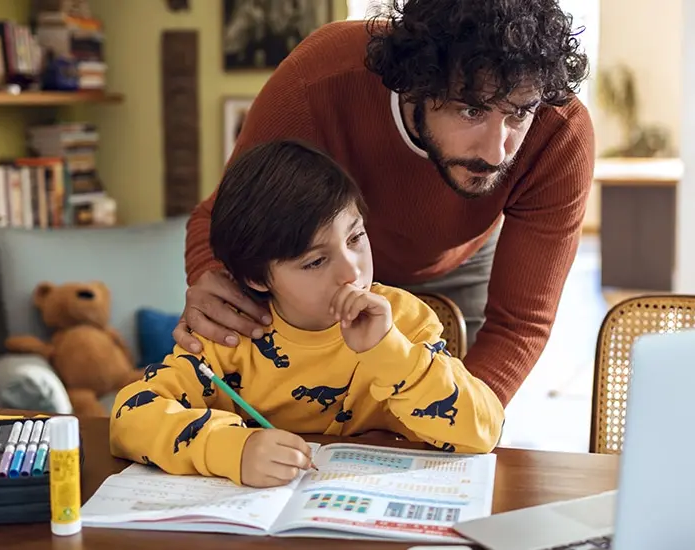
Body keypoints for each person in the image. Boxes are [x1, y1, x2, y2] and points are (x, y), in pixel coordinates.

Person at [174, 0, 595, 407]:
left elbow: (518, 326)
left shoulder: (560, 133)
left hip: (459, 266)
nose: (496, 153)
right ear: (416, 82)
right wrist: (214, 278)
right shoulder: (317, 80)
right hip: (318, 270)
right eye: (471, 111)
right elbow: (220, 218)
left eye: (519, 114)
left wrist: (457, 425)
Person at [111, 140, 505, 488]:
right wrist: (231, 449)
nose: (351, 271)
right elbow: (130, 416)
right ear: (256, 277)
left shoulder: (404, 320)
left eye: (355, 237)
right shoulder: (228, 335)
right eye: (316, 262)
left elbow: (484, 431)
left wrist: (392, 353)